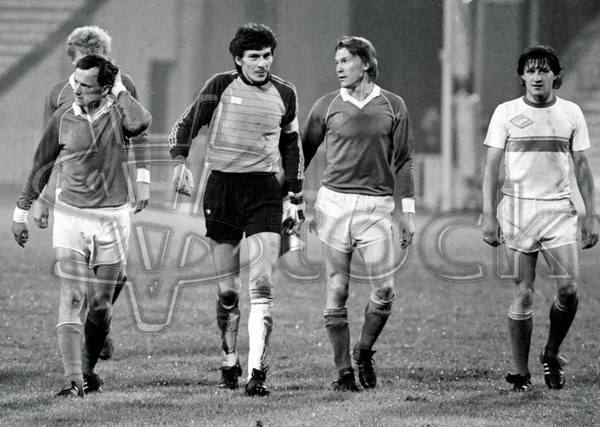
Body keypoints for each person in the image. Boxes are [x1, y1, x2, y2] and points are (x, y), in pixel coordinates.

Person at [169, 23, 304, 397]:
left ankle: (257, 373)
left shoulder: (285, 93)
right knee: (228, 290)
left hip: (264, 192)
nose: (262, 63)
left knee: (262, 284)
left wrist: (295, 197)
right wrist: (179, 163)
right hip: (223, 190)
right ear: (238, 59)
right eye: (254, 57)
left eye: (267, 56)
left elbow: (292, 147)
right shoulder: (219, 86)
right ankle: (229, 359)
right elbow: (185, 125)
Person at [12, 54, 152, 397]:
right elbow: (42, 164)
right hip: (71, 216)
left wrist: (119, 91)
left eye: (86, 85)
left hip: (113, 219)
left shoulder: (120, 113)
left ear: (105, 88)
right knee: (73, 296)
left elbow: (142, 123)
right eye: (75, 81)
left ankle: (87, 371)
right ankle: (72, 381)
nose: (76, 89)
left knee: (101, 305)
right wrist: (21, 211)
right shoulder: (63, 116)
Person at [482, 45, 598, 392]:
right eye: (530, 70)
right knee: (524, 294)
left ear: (555, 75)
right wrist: (489, 214)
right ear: (522, 76)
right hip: (518, 211)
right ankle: (521, 374)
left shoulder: (570, 113)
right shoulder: (506, 112)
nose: (536, 76)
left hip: (558, 211)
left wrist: (591, 215)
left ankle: (551, 352)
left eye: (543, 70)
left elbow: (582, 167)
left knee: (569, 290)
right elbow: (491, 169)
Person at [302, 36, 415, 391]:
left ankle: (363, 351)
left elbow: (404, 160)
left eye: (346, 60)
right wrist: (291, 197)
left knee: (385, 289)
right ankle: (344, 373)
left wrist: (408, 211)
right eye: (337, 61)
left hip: (376, 208)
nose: (339, 67)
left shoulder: (393, 105)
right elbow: (302, 153)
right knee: (338, 289)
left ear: (366, 63)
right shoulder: (326, 106)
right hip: (334, 205)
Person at [32, 26, 150, 360]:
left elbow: (139, 131)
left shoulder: (123, 86)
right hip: (72, 196)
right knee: (75, 284)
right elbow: (49, 148)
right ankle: (85, 345)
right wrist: (42, 197)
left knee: (116, 277)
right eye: (80, 62)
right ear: (72, 61)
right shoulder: (58, 94)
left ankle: (98, 324)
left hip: (112, 196)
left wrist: (142, 177)